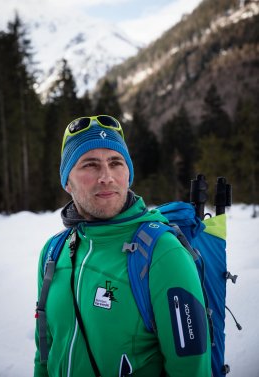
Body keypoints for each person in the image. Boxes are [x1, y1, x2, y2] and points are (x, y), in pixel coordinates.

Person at [33, 115, 211, 377]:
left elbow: (191, 370)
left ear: (128, 174)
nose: (106, 177)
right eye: (90, 164)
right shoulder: (53, 252)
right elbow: (44, 353)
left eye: (116, 163)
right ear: (67, 181)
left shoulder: (162, 254)